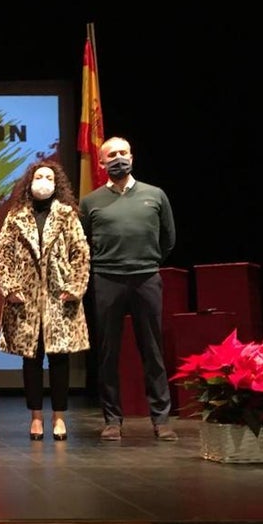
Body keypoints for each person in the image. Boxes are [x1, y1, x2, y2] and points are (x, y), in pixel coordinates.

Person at [79, 136, 177, 441]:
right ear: (102, 163)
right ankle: (112, 420)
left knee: (152, 350)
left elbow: (168, 239)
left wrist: (148, 261)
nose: (118, 158)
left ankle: (161, 420)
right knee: (109, 352)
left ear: (132, 158)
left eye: (123, 153)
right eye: (112, 155)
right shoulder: (91, 201)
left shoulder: (155, 195)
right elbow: (83, 243)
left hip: (146, 278)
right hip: (107, 279)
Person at [0, 158, 90, 441]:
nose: (43, 182)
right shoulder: (16, 216)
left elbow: (81, 253)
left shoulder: (67, 215)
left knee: (60, 360)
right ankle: (36, 418)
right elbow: (3, 255)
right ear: (30, 182)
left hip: (59, 298)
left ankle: (59, 418)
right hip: (25, 301)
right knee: (31, 360)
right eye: (39, 177)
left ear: (56, 183)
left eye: (49, 177)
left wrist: (74, 287)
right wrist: (10, 287)